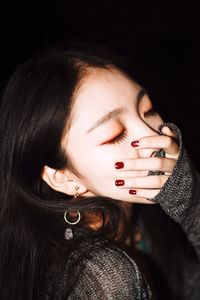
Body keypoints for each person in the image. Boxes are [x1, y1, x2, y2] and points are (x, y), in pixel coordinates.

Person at [0, 42, 199, 300]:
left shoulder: (144, 220)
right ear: (63, 177)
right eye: (114, 135)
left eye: (148, 110)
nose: (150, 134)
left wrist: (189, 196)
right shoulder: (101, 279)